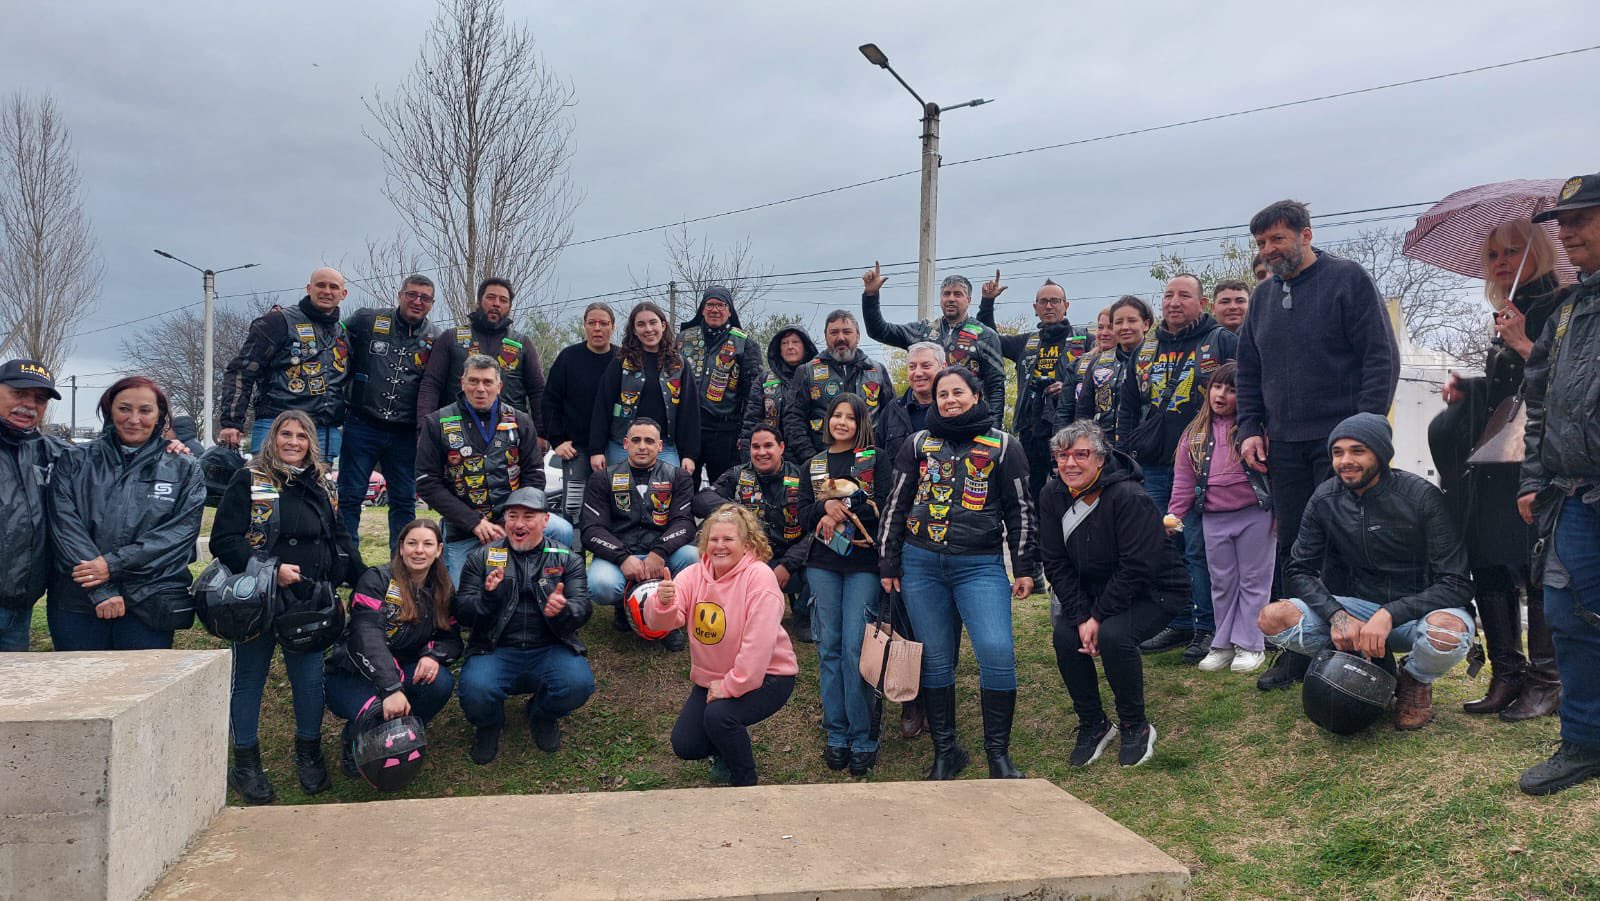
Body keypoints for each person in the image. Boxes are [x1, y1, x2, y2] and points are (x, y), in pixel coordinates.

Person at [1237, 200, 1399, 691]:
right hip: (1284, 445)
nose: (1269, 250)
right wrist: (1249, 427)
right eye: (1262, 243)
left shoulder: (1348, 280)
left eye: (1278, 239)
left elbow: (1380, 357)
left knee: (1349, 545)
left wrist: (1364, 431)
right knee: (1294, 547)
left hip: (1342, 446)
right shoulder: (1261, 299)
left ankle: (1363, 653)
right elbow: (1249, 371)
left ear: (1306, 235)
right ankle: (1298, 649)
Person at [1258, 414, 1474, 731]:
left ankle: (1414, 679)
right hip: (1358, 612)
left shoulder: (1421, 496)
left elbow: (1457, 583)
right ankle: (1366, 665)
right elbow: (1299, 569)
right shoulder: (1324, 498)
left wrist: (1390, 613)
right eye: (1337, 452)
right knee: (1273, 618)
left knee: (1447, 632)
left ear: (1381, 454)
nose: (1345, 461)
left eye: (1358, 451)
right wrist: (1336, 615)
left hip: (1419, 612)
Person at [1432, 220, 1567, 721]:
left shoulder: (1563, 306)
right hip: (1497, 457)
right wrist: (1469, 389)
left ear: (1539, 252)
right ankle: (1507, 672)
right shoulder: (1510, 309)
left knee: (1536, 563)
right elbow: (1509, 388)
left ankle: (1546, 680)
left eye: (1513, 251)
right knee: (1488, 555)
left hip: (1542, 454)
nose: (1502, 261)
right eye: (1494, 255)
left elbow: (1569, 384)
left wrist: (1524, 344)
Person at [881, 366, 1041, 781]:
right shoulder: (918, 443)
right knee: (935, 659)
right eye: (942, 394)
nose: (949, 400)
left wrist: (1024, 566)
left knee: (997, 652)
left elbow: (1021, 509)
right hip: (921, 564)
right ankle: (946, 753)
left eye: (957, 392)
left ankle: (998, 756)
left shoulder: (1003, 445)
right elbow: (896, 502)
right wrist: (888, 560)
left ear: (976, 396)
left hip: (980, 566)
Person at [211, 410, 366, 804]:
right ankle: (245, 763)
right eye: (286, 434)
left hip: (308, 601)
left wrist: (365, 579)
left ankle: (309, 754)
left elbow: (340, 537)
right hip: (257, 599)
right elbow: (224, 540)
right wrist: (271, 569)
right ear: (272, 438)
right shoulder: (249, 479)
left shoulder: (323, 484)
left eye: (301, 435)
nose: (293, 442)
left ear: (311, 442)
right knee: (249, 678)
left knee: (309, 681)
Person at [1516, 172, 1600, 795]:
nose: (1566, 233)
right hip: (1571, 494)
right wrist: (1532, 479)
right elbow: (1538, 401)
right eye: (1561, 223)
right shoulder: (1567, 311)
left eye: (1580, 220)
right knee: (1567, 616)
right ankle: (1585, 742)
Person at [1041, 421, 1188, 768]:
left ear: (1100, 458)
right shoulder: (1051, 495)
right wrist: (1081, 616)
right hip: (1094, 593)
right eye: (1063, 455)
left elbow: (1137, 567)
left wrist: (1097, 616)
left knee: (1114, 635)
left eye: (1081, 454)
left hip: (1154, 590)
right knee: (1065, 636)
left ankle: (1135, 724)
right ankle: (1093, 723)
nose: (1070, 463)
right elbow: (1055, 562)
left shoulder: (1129, 496)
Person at [46, 376, 206, 651]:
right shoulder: (75, 460)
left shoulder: (184, 467)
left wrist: (112, 565)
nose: (134, 419)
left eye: (145, 410)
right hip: (78, 602)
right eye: (124, 409)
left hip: (150, 603)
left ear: (159, 416)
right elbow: (64, 527)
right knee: (79, 680)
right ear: (110, 410)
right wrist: (100, 588)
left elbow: (178, 534)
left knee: (145, 680)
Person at [646, 505, 798, 787]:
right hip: (714, 677)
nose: (719, 546)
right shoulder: (693, 575)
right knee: (686, 744)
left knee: (720, 716)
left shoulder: (760, 578)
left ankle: (744, 780)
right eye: (713, 539)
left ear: (747, 544)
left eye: (728, 539)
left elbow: (757, 648)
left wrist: (729, 686)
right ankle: (726, 749)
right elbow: (661, 623)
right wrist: (663, 603)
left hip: (769, 675)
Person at [1131, 275, 1238, 663]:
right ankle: (1176, 621)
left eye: (1184, 295)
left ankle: (1207, 626)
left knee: (1198, 549)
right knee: (1164, 546)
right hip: (1155, 466)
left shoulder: (1220, 341)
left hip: (1205, 467)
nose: (1174, 302)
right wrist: (1127, 455)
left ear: (1202, 303)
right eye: (1168, 295)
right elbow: (1130, 404)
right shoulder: (1147, 348)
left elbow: (1245, 393)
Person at [454, 487, 594, 765]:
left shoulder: (567, 557)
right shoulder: (481, 557)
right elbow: (462, 613)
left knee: (578, 684)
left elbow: (583, 608)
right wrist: (488, 598)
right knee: (475, 692)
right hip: (495, 648)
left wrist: (564, 610)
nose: (519, 524)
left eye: (528, 516)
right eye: (512, 516)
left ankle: (542, 714)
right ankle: (490, 724)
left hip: (550, 648)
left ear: (546, 520)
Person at [325, 518, 463, 777]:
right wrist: (391, 688)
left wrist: (433, 656)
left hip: (403, 670)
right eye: (412, 543)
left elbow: (451, 638)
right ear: (401, 547)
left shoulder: (443, 588)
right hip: (353, 673)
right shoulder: (375, 579)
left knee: (440, 682)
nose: (419, 550)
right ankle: (355, 738)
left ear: (439, 550)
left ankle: (405, 731)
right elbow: (366, 635)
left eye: (427, 544)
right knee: (375, 709)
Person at [799, 393, 891, 775]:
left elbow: (884, 507)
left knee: (856, 649)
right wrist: (823, 507)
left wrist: (845, 509)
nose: (841, 422)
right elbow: (802, 515)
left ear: (861, 423)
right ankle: (836, 733)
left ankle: (863, 736)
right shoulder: (814, 464)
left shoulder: (876, 459)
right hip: (822, 564)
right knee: (829, 648)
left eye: (849, 417)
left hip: (863, 565)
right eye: (836, 415)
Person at [416, 354, 568, 585]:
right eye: (473, 381)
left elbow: (535, 476)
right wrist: (473, 522)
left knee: (562, 530)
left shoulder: (520, 421)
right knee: (465, 599)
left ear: (499, 386)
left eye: (488, 382)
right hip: (465, 529)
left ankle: (551, 585)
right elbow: (427, 482)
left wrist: (512, 520)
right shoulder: (436, 422)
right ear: (462, 383)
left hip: (513, 521)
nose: (480, 389)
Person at [1167, 362, 1272, 673]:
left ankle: (1250, 644)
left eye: (1232, 389)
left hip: (1256, 515)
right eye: (1217, 386)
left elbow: (1277, 474)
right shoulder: (1194, 433)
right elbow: (1184, 479)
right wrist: (1175, 513)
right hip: (1213, 518)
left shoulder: (1258, 430)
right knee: (1222, 583)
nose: (1221, 395)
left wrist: (1280, 511)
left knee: (1254, 581)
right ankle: (1222, 643)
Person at [337, 274, 439, 551]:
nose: (417, 301)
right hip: (362, 423)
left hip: (406, 433)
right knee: (349, 496)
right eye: (412, 294)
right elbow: (334, 342)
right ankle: (346, 561)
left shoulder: (437, 337)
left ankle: (402, 564)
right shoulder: (366, 319)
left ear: (431, 303)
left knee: (404, 501)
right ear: (400, 295)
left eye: (425, 298)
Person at [872, 341, 943, 739]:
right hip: (901, 521)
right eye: (913, 366)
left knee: (941, 624)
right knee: (906, 616)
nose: (918, 372)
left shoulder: (954, 405)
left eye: (926, 365)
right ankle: (912, 700)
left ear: (942, 367)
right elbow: (879, 460)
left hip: (944, 523)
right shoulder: (892, 411)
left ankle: (939, 699)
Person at [581, 418, 699, 649]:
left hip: (663, 554)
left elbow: (685, 523)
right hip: (621, 555)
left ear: (660, 446)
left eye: (649, 441)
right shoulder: (602, 478)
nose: (642, 446)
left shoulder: (679, 477)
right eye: (636, 440)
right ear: (626, 444)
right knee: (601, 584)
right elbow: (591, 529)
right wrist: (622, 557)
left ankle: (672, 617)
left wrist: (660, 551)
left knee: (694, 557)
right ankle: (623, 605)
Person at [696, 424, 812, 642]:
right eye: (755, 447)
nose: (761, 452)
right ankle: (730, 611)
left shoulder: (801, 476)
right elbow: (702, 500)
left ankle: (803, 616)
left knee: (820, 558)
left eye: (768, 446)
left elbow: (815, 527)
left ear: (781, 447)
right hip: (750, 559)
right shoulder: (738, 474)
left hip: (792, 560)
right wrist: (737, 513)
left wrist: (788, 564)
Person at [218, 267, 351, 458]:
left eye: (334, 287)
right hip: (277, 425)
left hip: (325, 432)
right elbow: (242, 370)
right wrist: (231, 422)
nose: (327, 291)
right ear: (309, 289)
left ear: (343, 294)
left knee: (321, 479)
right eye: (321, 285)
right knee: (268, 478)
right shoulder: (278, 322)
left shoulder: (343, 332)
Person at [978, 275, 1087, 497]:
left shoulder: (1085, 340)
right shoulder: (1025, 342)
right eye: (1043, 301)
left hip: (1069, 428)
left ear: (1066, 306)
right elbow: (990, 339)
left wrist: (1068, 387)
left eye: (1055, 301)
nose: (1049, 306)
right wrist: (987, 303)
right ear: (1035, 308)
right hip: (1031, 430)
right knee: (1031, 491)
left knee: (1070, 490)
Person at [862, 264, 1006, 415]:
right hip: (926, 416)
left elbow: (996, 386)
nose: (951, 299)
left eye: (958, 294)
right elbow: (879, 331)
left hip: (968, 418)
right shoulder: (923, 331)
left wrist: (993, 426)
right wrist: (871, 295)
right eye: (946, 294)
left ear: (968, 299)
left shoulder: (985, 335)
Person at [0, 359, 68, 652]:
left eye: (39, 398)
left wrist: (166, 449)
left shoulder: (57, 454)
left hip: (19, 608)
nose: (29, 405)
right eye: (19, 393)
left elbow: (110, 461)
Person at [416, 277, 546, 427]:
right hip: (456, 430)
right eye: (490, 297)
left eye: (503, 300)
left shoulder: (522, 343)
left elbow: (538, 391)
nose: (496, 303)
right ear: (479, 301)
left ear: (510, 306)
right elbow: (431, 385)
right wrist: (424, 428)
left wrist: (542, 432)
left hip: (508, 430)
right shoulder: (450, 338)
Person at [589, 301, 701, 474]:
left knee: (669, 490)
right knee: (620, 491)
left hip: (664, 447)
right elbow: (602, 406)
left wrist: (689, 455)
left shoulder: (679, 364)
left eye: (653, 322)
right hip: (622, 445)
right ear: (634, 330)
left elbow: (690, 411)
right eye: (641, 324)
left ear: (663, 325)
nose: (648, 329)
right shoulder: (621, 361)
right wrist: (596, 450)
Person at [679, 286, 764, 485]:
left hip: (725, 431)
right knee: (684, 486)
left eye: (720, 305)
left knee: (723, 488)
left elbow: (753, 394)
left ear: (729, 311)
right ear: (702, 309)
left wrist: (746, 433)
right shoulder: (684, 338)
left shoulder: (744, 343)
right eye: (710, 305)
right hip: (688, 428)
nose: (715, 310)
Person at [783, 309, 894, 462]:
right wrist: (811, 458)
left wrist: (881, 456)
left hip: (868, 460)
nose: (841, 338)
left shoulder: (877, 371)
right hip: (823, 460)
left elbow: (891, 417)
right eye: (834, 333)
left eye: (847, 332)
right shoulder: (807, 372)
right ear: (826, 337)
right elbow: (793, 420)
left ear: (858, 336)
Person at [545, 302, 617, 524]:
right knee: (573, 508)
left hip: (615, 447)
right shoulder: (568, 358)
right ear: (584, 325)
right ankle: (573, 547)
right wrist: (557, 441)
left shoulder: (623, 359)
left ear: (612, 327)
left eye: (603, 323)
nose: (597, 328)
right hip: (577, 450)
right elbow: (549, 401)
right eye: (592, 323)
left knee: (616, 507)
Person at [1071, 295, 1154, 447]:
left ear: (1146, 324)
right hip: (1104, 450)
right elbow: (1083, 414)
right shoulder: (1098, 362)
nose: (1125, 327)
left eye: (1132, 320)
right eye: (1118, 322)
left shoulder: (1158, 357)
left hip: (1147, 447)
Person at [741, 325, 816, 466]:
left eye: (795, 342)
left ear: (805, 346)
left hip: (811, 456)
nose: (790, 347)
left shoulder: (818, 378)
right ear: (778, 349)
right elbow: (751, 422)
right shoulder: (764, 380)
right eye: (784, 343)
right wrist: (748, 461)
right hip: (772, 460)